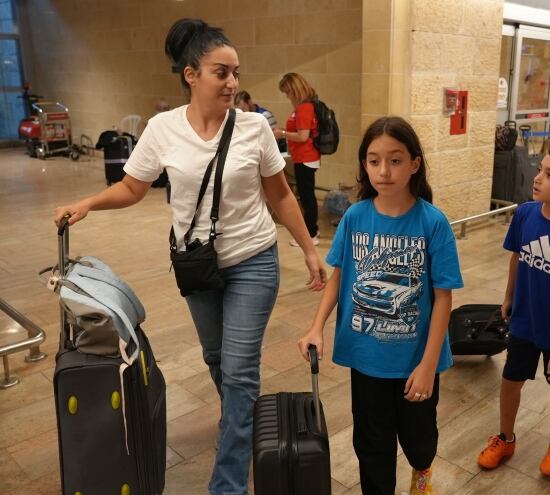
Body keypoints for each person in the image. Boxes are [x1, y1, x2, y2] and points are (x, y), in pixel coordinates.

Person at [54, 18, 326, 495]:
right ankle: (240, 420)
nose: (233, 83)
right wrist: (89, 204)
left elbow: (281, 195)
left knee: (240, 373)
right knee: (217, 358)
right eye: (222, 72)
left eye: (236, 72)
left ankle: (228, 484)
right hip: (196, 264)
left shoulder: (254, 128)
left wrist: (309, 249)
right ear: (191, 75)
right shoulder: (162, 129)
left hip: (253, 260)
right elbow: (133, 187)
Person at [297, 116, 463, 495]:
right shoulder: (355, 217)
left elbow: (442, 298)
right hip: (366, 357)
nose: (384, 171)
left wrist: (427, 365)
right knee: (371, 444)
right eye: (374, 161)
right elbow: (340, 277)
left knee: (418, 439)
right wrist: (316, 326)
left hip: (415, 362)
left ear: (415, 164)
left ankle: (422, 472)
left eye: (395, 160)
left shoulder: (432, 223)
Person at [476, 145, 550, 477]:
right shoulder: (526, 214)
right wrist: (508, 297)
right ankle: (505, 437)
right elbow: (517, 256)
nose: (538, 178)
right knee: (510, 380)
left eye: (549, 174)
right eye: (541, 169)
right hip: (524, 324)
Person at [273, 73, 321, 247]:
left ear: (294, 90)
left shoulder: (304, 108)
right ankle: (312, 230)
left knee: (307, 197)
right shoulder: (303, 107)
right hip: (303, 156)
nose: (287, 96)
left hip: (306, 157)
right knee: (306, 195)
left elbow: (302, 136)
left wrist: (282, 133)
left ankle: (311, 233)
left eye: (287, 92)